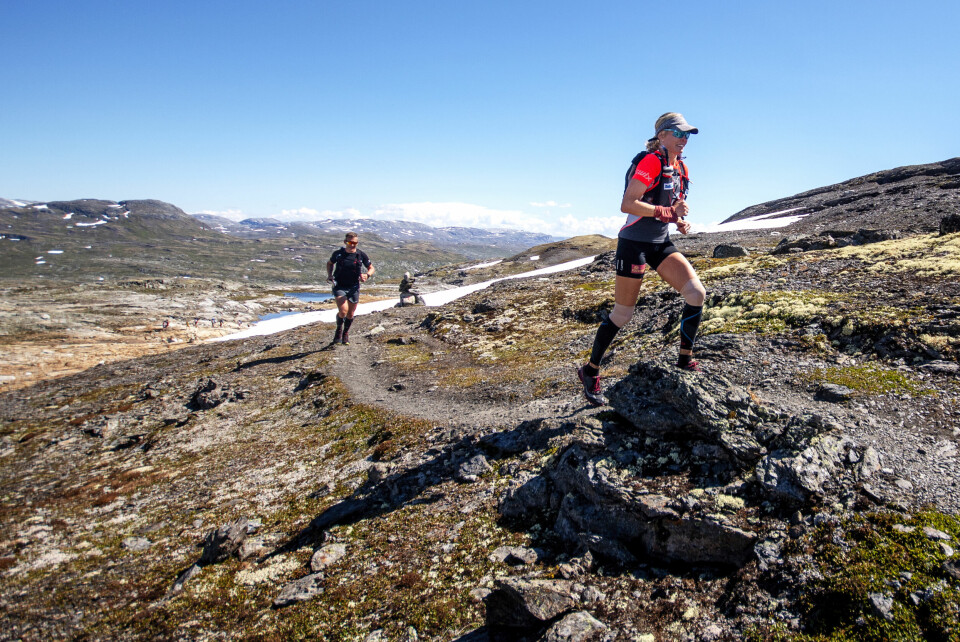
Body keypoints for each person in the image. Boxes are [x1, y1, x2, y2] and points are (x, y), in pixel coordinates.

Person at [577, 112, 707, 407]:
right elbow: (628, 203)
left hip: (660, 243)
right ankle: (590, 371)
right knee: (622, 315)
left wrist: (678, 221)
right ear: (662, 135)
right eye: (678, 133)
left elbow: (668, 205)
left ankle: (684, 360)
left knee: (696, 293)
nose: (684, 139)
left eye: (687, 134)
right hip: (634, 244)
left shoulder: (681, 167)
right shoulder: (650, 161)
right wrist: (667, 213)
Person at [327, 232, 374, 345]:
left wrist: (367, 275)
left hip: (354, 287)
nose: (352, 245)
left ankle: (345, 333)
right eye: (350, 242)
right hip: (339, 285)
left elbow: (371, 268)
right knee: (343, 311)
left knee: (351, 314)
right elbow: (330, 263)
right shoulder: (338, 254)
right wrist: (329, 275)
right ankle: (339, 330)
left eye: (355, 243)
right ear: (345, 242)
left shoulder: (361, 255)